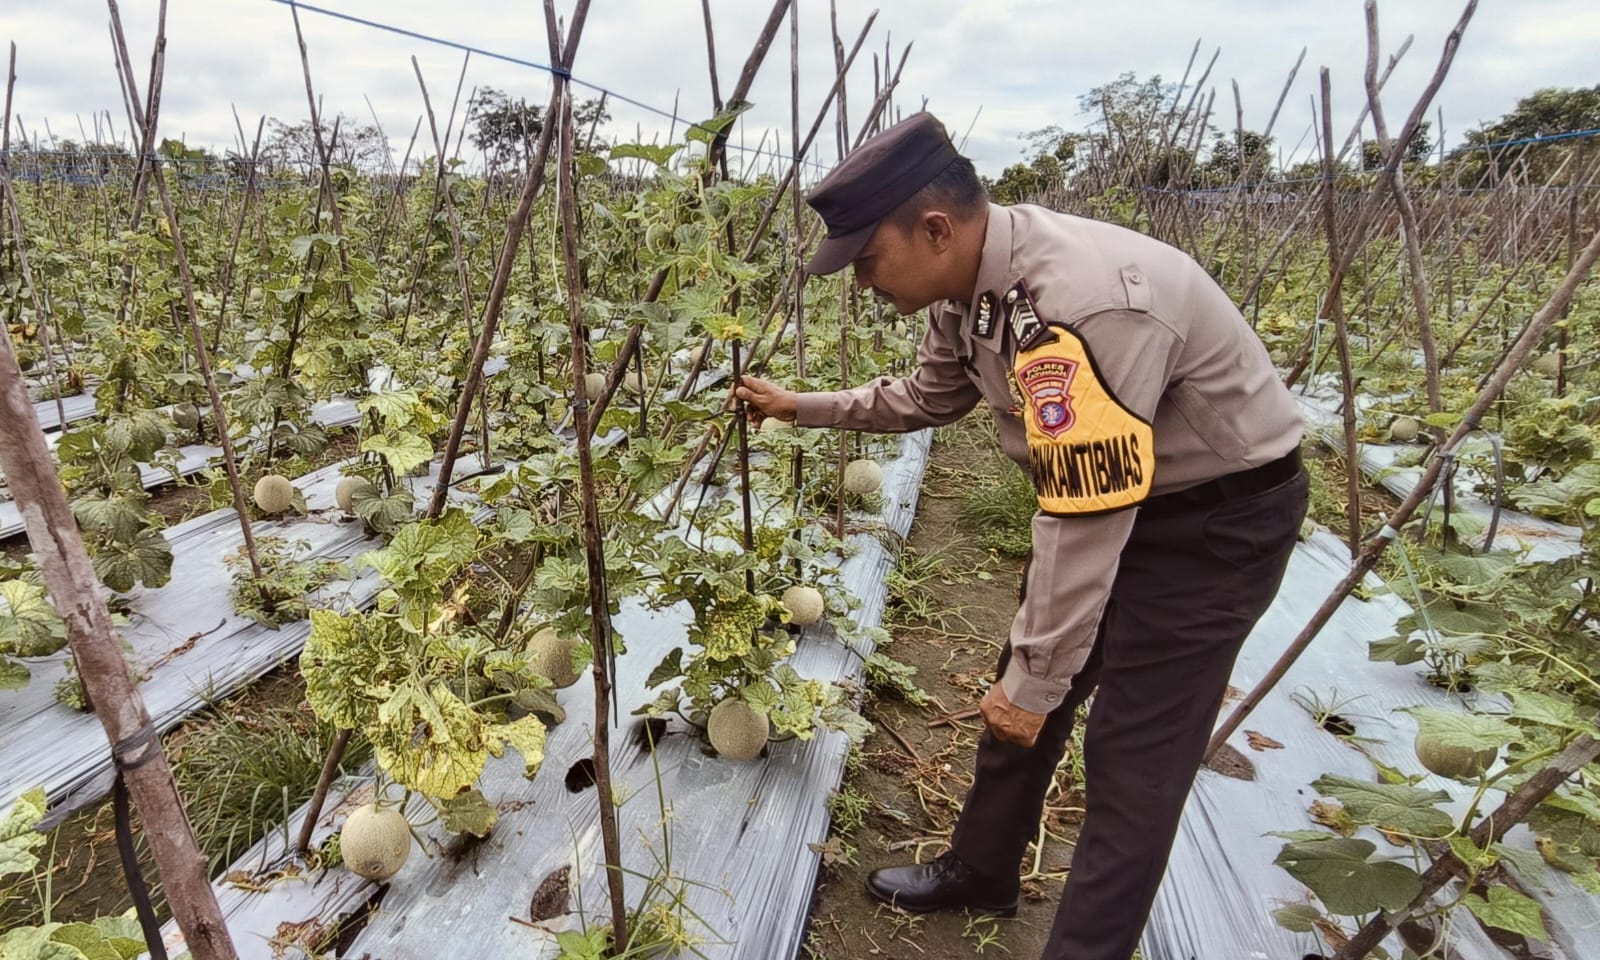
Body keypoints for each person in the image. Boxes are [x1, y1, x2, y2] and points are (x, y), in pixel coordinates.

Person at [735, 112, 1308, 960]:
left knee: (1128, 761)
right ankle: (983, 869)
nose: (859, 281)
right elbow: (929, 399)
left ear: (933, 228)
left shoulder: (1082, 303)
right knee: (1022, 692)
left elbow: (1088, 514)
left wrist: (1037, 681)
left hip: (1210, 528)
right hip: (1121, 501)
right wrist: (803, 408)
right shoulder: (964, 287)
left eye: (865, 260)